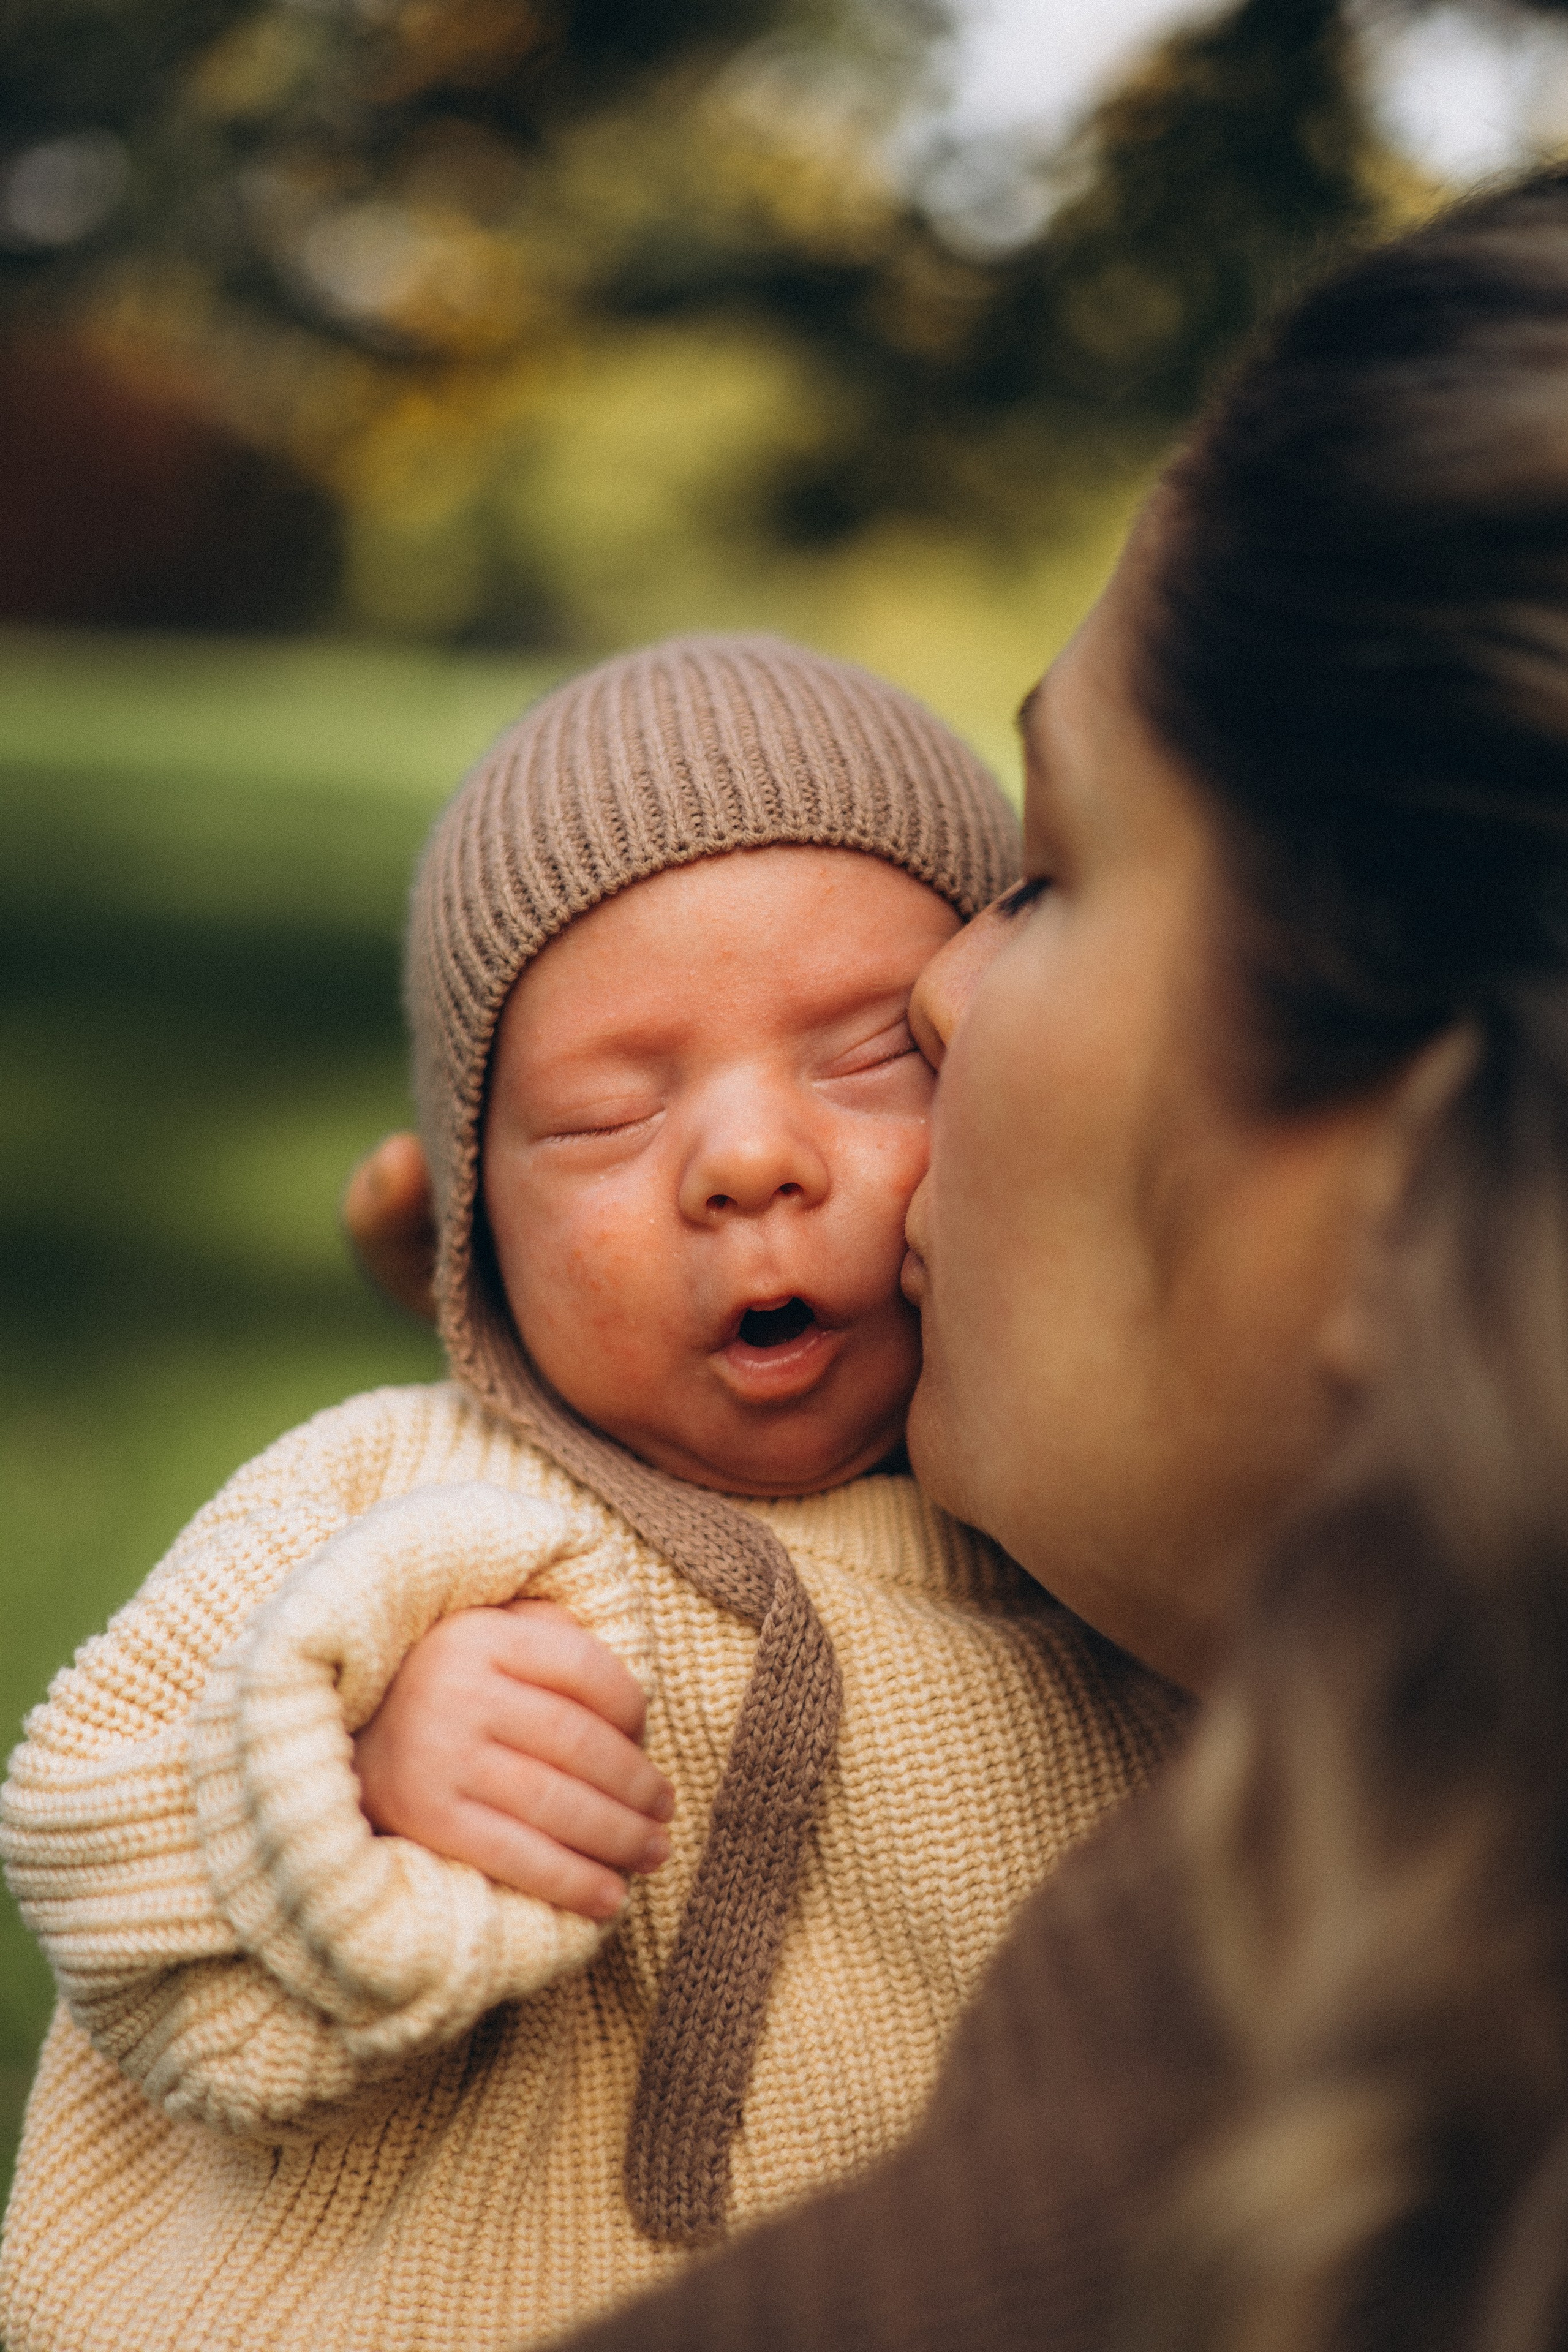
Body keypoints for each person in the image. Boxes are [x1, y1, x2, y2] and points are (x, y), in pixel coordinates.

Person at [345, 165, 1568, 2351]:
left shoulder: (1240, 2110)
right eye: (605, 1116)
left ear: (1423, 1170)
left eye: (1054, 872)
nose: (938, 1006)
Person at [0, 635, 1189, 2352]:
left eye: (867, 1060)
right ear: (467, 1225)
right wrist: (345, 1788)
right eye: (605, 1118)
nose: (748, 1161)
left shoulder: (1094, 1541)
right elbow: (85, 1830)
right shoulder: (400, 1506)